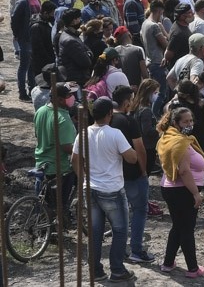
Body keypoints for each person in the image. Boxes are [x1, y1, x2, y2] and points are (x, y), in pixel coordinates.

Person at [72, 98, 138, 283]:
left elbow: (75, 159)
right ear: (110, 113)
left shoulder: (82, 134)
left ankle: (95, 270)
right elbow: (132, 158)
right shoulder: (115, 134)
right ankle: (117, 269)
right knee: (119, 230)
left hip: (90, 189)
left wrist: (83, 178)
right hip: (112, 190)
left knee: (94, 232)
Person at [156, 106, 204, 278]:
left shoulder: (169, 137)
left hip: (172, 189)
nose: (189, 124)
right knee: (186, 229)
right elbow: (184, 171)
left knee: (178, 227)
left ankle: (168, 263)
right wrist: (195, 193)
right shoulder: (180, 142)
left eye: (191, 120)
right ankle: (193, 268)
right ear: (175, 123)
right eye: (185, 121)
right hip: (182, 191)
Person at [108, 86, 156, 264]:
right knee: (139, 210)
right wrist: (143, 170)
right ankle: (136, 249)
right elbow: (140, 149)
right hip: (133, 174)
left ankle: (120, 250)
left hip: (113, 175)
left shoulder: (105, 119)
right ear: (127, 101)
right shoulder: (129, 121)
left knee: (119, 214)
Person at [33, 82, 78, 224]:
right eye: (68, 96)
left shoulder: (40, 111)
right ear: (59, 99)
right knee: (60, 201)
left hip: (41, 162)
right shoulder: (62, 119)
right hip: (57, 166)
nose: (71, 98)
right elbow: (67, 147)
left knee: (46, 202)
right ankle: (61, 214)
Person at [11, 0, 41, 101]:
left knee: (32, 66)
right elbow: (14, 20)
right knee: (24, 66)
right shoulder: (22, 2)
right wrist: (18, 35)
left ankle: (32, 90)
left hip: (35, 38)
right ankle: (22, 93)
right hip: (25, 38)